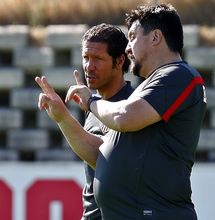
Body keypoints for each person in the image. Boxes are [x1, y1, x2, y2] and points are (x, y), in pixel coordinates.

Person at [36, 3, 207, 220]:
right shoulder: (151, 87)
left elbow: (122, 117)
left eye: (133, 36)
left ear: (156, 37)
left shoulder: (178, 75)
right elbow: (102, 155)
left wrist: (91, 101)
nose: (128, 47)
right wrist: (62, 118)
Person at [78, 23, 134, 219]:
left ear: (119, 61)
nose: (89, 66)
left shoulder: (135, 107)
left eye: (98, 59)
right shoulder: (93, 106)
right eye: (86, 57)